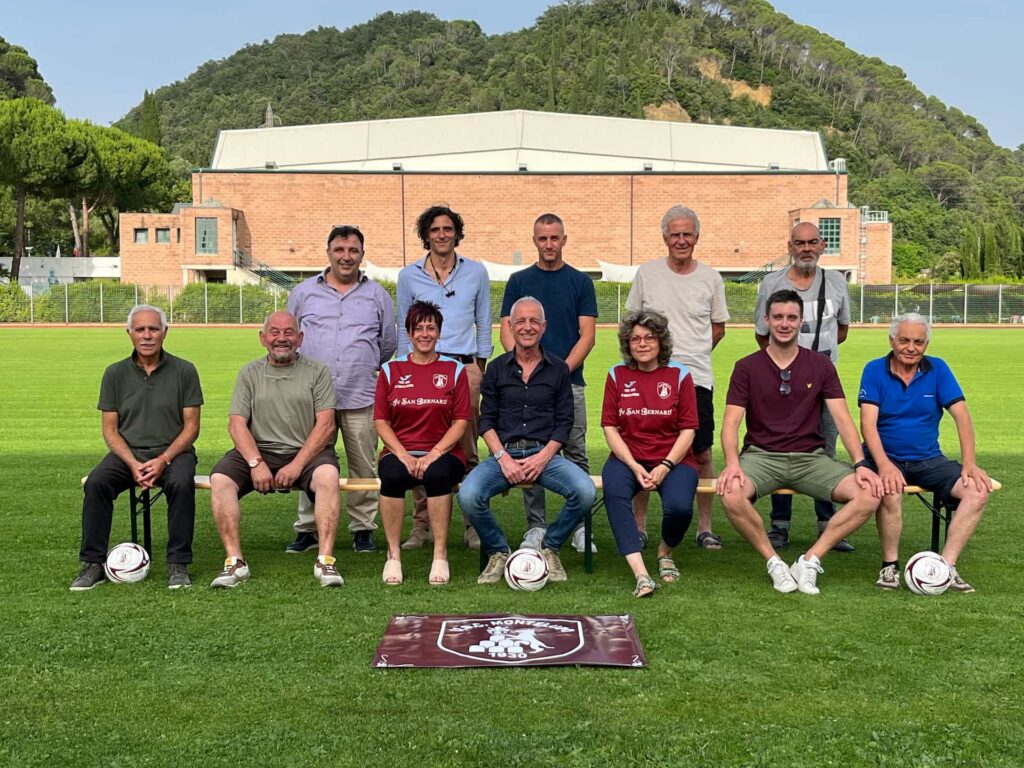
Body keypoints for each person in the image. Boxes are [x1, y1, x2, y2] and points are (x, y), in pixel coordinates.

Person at [717, 290, 883, 594]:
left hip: (811, 458)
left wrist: (860, 463)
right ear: (766, 320)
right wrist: (731, 464)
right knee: (730, 493)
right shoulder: (746, 367)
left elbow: (843, 419)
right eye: (778, 317)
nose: (784, 323)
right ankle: (775, 563)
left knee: (869, 493)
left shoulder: (820, 365)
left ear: (800, 321)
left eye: (791, 317)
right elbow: (730, 423)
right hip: (761, 456)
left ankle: (809, 560)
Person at [458, 297, 596, 584]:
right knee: (468, 496)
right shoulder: (495, 369)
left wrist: (543, 457)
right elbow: (486, 420)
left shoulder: (558, 369)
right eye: (520, 321)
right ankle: (498, 551)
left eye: (534, 321)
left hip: (545, 456)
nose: (527, 327)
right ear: (510, 325)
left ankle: (550, 548)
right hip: (504, 454)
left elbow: (564, 422)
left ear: (544, 327)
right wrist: (502, 458)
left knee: (584, 491)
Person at [71, 305, 203, 591]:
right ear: (129, 333)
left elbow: (192, 427)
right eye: (140, 329)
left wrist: (164, 460)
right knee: (96, 483)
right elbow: (110, 429)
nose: (147, 335)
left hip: (174, 453)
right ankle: (92, 564)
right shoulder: (114, 373)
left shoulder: (185, 370)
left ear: (165, 332)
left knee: (181, 484)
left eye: (153, 329)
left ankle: (178, 565)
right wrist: (132, 464)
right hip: (127, 455)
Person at [208, 312, 344, 589]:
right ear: (263, 338)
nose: (282, 338)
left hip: (308, 452)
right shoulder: (249, 373)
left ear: (300, 338)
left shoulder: (317, 371)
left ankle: (325, 560)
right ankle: (235, 562)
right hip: (259, 450)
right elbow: (236, 425)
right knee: (220, 479)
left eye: (289, 332)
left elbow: (326, 424)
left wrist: (297, 464)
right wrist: (255, 462)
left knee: (328, 476)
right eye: (274, 332)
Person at [858, 313, 992, 592]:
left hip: (928, 459)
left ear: (926, 344)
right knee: (889, 490)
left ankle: (944, 568)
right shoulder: (874, 369)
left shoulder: (938, 369)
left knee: (977, 490)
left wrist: (969, 464)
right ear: (891, 340)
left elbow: (962, 416)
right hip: (885, 457)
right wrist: (883, 465)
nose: (911, 347)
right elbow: (867, 425)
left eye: (918, 342)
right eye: (904, 340)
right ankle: (889, 567)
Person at [287, 225, 397, 554]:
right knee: (310, 462)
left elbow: (387, 343)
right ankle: (308, 528)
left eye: (352, 251)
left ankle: (362, 527)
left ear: (362, 255)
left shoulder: (378, 295)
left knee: (363, 464)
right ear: (329, 252)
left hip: (360, 393)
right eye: (340, 250)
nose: (346, 257)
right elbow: (291, 336)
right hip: (312, 397)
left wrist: (360, 363)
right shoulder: (304, 292)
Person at [626, 205, 729, 550]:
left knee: (701, 453)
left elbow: (717, 329)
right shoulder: (647, 273)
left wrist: (689, 358)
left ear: (696, 237)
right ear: (665, 238)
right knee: (643, 451)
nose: (681, 240)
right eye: (675, 234)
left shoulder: (711, 278)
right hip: (648, 379)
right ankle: (639, 527)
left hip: (696, 378)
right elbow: (632, 324)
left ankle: (705, 527)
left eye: (687, 234)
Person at [500, 213, 597, 553]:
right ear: (534, 240)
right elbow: (506, 331)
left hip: (570, 382)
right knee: (528, 452)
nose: (549, 244)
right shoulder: (518, 280)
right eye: (542, 239)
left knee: (576, 452)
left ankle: (581, 528)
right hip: (525, 384)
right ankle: (536, 527)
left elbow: (587, 336)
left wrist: (556, 372)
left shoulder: (580, 282)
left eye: (554, 238)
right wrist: (526, 371)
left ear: (564, 239)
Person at [754, 221, 854, 552]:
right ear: (790, 246)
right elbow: (762, 333)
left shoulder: (837, 282)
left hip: (824, 382)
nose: (806, 248)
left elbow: (842, 330)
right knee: (781, 447)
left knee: (824, 447)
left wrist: (815, 364)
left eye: (812, 242)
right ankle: (779, 526)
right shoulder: (772, 283)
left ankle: (827, 524)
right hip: (783, 381)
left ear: (822, 245)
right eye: (800, 243)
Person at [397, 205, 492, 550]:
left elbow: (484, 321)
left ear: (456, 233)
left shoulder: (476, 272)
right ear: (426, 235)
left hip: (463, 369)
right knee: (419, 444)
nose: (441, 234)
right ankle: (421, 526)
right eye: (434, 229)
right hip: (421, 367)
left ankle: (473, 522)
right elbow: (402, 325)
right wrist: (402, 367)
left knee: (467, 449)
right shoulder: (409, 276)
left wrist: (479, 368)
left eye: (447, 229)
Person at [601, 310, 700, 598]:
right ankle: (641, 573)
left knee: (680, 507)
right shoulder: (616, 374)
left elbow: (689, 430)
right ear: (627, 344)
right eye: (635, 339)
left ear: (660, 342)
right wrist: (633, 465)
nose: (642, 343)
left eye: (649, 337)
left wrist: (666, 465)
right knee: (615, 493)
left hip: (674, 458)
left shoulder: (679, 375)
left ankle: (664, 551)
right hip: (627, 458)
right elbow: (610, 427)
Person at [374, 301, 470, 586]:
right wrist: (402, 454)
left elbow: (461, 421)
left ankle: (440, 555)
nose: (425, 334)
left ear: (439, 333)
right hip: (399, 450)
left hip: (445, 451)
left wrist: (434, 454)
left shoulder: (454, 369)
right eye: (419, 328)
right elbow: (381, 421)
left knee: (438, 475)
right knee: (391, 475)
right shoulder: (391, 370)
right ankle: (393, 556)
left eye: (431, 328)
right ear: (409, 333)